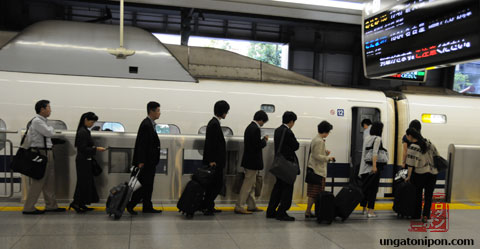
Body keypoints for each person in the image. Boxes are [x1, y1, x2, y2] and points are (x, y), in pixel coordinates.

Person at [22, 100, 66, 214]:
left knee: (49, 181)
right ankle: (28, 207)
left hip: (47, 152)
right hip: (40, 153)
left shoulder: (43, 121)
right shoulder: (37, 121)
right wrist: (51, 130)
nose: (50, 110)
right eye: (49, 107)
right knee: (39, 180)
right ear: (42, 109)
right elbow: (49, 133)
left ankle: (51, 205)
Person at [127, 101, 162, 214]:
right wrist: (141, 161)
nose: (159, 113)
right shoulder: (146, 125)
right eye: (158, 110)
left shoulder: (150, 124)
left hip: (150, 162)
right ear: (151, 111)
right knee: (143, 186)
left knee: (148, 186)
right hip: (146, 162)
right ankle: (131, 205)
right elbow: (141, 144)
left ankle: (147, 206)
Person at [69, 112, 106, 213]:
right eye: (91, 121)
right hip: (83, 161)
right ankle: (76, 203)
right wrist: (96, 148)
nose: (92, 124)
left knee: (85, 182)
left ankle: (81, 203)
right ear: (85, 120)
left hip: (85, 160)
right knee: (82, 183)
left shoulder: (84, 130)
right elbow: (83, 148)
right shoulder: (83, 132)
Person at [266, 111, 299, 221]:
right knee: (287, 188)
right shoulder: (288, 132)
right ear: (291, 121)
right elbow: (296, 146)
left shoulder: (278, 130)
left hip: (279, 164)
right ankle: (282, 212)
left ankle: (271, 211)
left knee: (278, 188)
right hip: (287, 165)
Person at [234, 110, 269, 215]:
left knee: (251, 184)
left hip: (249, 161)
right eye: (264, 122)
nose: (263, 124)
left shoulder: (250, 127)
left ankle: (251, 205)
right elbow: (257, 145)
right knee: (247, 185)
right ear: (261, 120)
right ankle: (239, 206)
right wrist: (264, 140)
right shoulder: (255, 129)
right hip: (252, 162)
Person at [202, 100, 230, 215]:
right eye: (226, 111)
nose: (227, 114)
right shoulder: (214, 124)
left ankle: (209, 206)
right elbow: (211, 144)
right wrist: (212, 160)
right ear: (222, 112)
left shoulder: (214, 123)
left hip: (216, 161)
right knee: (215, 185)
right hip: (215, 162)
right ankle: (207, 206)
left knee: (213, 185)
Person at [404, 128, 438, 223]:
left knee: (418, 194)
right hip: (433, 173)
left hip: (420, 174)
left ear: (410, 136)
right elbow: (437, 156)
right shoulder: (429, 144)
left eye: (407, 136)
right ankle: (426, 215)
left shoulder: (413, 147)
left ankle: (416, 214)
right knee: (428, 196)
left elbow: (411, 164)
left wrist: (408, 176)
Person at [305, 121, 335, 218]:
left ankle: (308, 211)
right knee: (315, 193)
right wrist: (328, 158)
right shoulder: (319, 141)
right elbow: (317, 156)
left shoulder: (316, 139)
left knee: (312, 193)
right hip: (318, 171)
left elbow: (315, 154)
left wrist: (325, 153)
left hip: (314, 169)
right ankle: (309, 211)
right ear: (325, 131)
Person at [358, 121, 386, 218]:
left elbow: (364, 154)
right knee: (373, 190)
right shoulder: (377, 139)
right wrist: (374, 166)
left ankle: (364, 209)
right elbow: (375, 153)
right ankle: (371, 211)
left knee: (365, 190)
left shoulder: (367, 138)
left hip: (364, 168)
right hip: (372, 169)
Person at [358, 118, 372, 215]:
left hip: (365, 166)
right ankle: (369, 209)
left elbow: (365, 152)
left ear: (365, 125)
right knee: (370, 190)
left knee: (364, 188)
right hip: (371, 167)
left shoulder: (367, 132)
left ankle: (363, 208)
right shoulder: (375, 135)